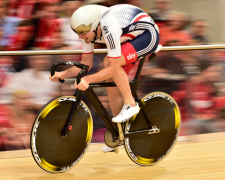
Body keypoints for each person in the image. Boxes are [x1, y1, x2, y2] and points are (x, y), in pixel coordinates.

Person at [49, 4, 161, 152]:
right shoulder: (88, 29)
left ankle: (131, 104)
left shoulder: (109, 26)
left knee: (109, 63)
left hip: (148, 35)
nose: (80, 36)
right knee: (110, 82)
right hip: (128, 37)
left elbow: (113, 67)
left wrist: (88, 80)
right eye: (77, 33)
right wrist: (65, 73)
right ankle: (119, 134)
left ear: (95, 25)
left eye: (82, 32)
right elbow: (85, 64)